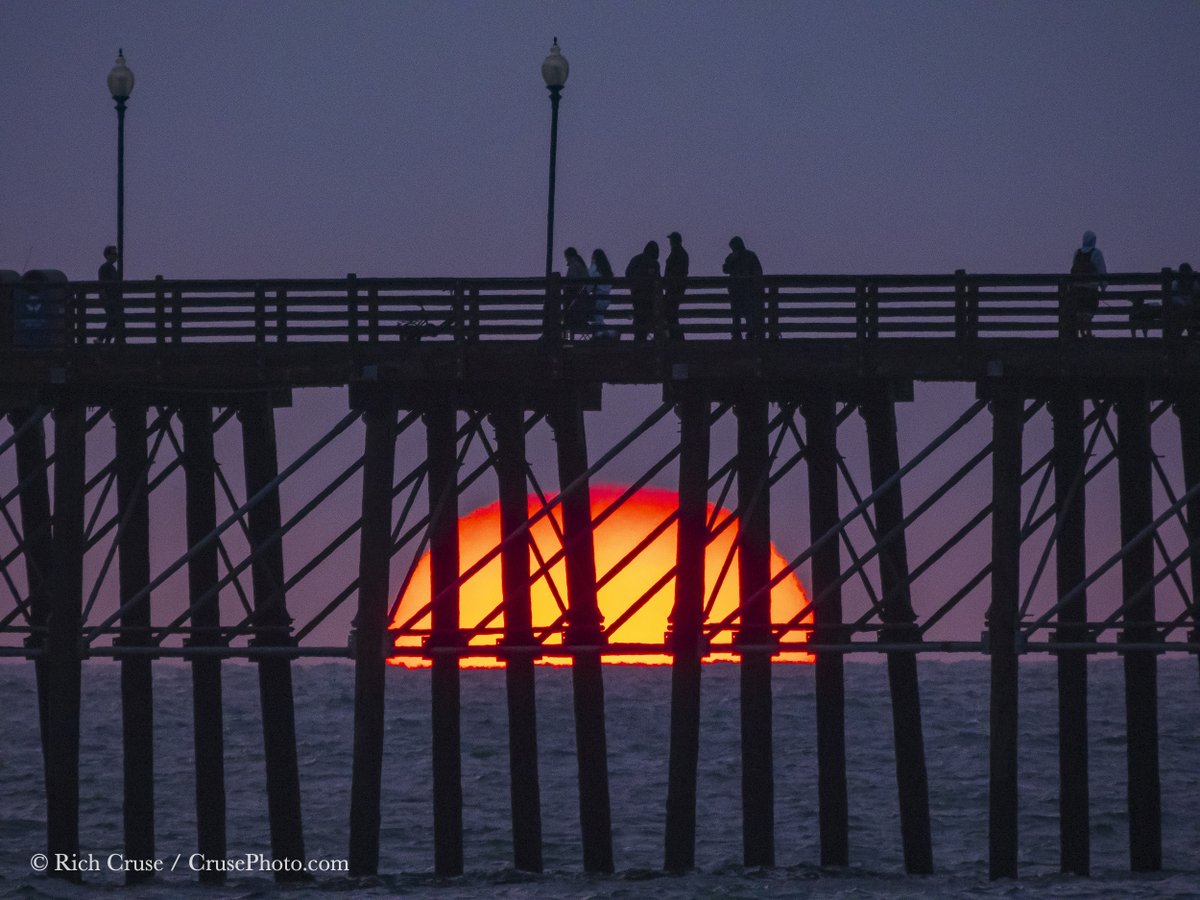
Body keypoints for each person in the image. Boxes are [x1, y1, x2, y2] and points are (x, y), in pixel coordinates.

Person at [722, 235, 764, 340]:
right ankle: (740, 332)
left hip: (745, 290)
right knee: (741, 313)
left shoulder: (749, 256)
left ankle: (745, 332)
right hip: (740, 290)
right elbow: (725, 269)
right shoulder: (745, 256)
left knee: (745, 312)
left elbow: (757, 272)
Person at [1068, 230, 1106, 337]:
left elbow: (1073, 269)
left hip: (1077, 288)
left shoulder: (1077, 253)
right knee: (1089, 311)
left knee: (1080, 311)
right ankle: (1088, 333)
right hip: (1091, 288)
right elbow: (1102, 270)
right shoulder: (1096, 253)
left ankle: (1081, 332)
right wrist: (1103, 286)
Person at [624, 240, 660, 341]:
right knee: (648, 317)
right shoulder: (654, 263)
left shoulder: (636, 259)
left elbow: (627, 273)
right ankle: (644, 338)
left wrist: (633, 286)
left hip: (636, 294)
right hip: (649, 296)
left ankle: (638, 339)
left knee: (639, 316)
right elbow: (658, 280)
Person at [664, 231, 689, 340]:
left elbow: (674, 270)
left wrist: (668, 281)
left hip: (674, 287)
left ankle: (676, 337)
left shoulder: (676, 252)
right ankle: (676, 336)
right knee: (672, 312)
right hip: (678, 286)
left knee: (671, 312)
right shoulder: (682, 253)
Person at [561, 246, 591, 336]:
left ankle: (566, 337)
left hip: (575, 297)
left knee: (567, 316)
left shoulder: (574, 266)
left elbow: (572, 282)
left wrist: (565, 287)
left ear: (568, 256)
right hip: (582, 297)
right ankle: (568, 336)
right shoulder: (581, 265)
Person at [588, 248, 616, 340]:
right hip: (606, 297)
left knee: (567, 323)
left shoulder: (595, 269)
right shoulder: (606, 270)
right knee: (598, 318)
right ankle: (607, 334)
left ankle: (567, 342)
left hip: (598, 297)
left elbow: (589, 285)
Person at [98, 245, 122, 343]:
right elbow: (101, 283)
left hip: (113, 297)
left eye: (116, 254)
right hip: (108, 297)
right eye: (113, 254)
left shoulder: (111, 268)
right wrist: (103, 294)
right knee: (113, 319)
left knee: (114, 319)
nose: (115, 256)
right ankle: (102, 339)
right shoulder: (105, 267)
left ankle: (106, 340)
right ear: (107, 255)